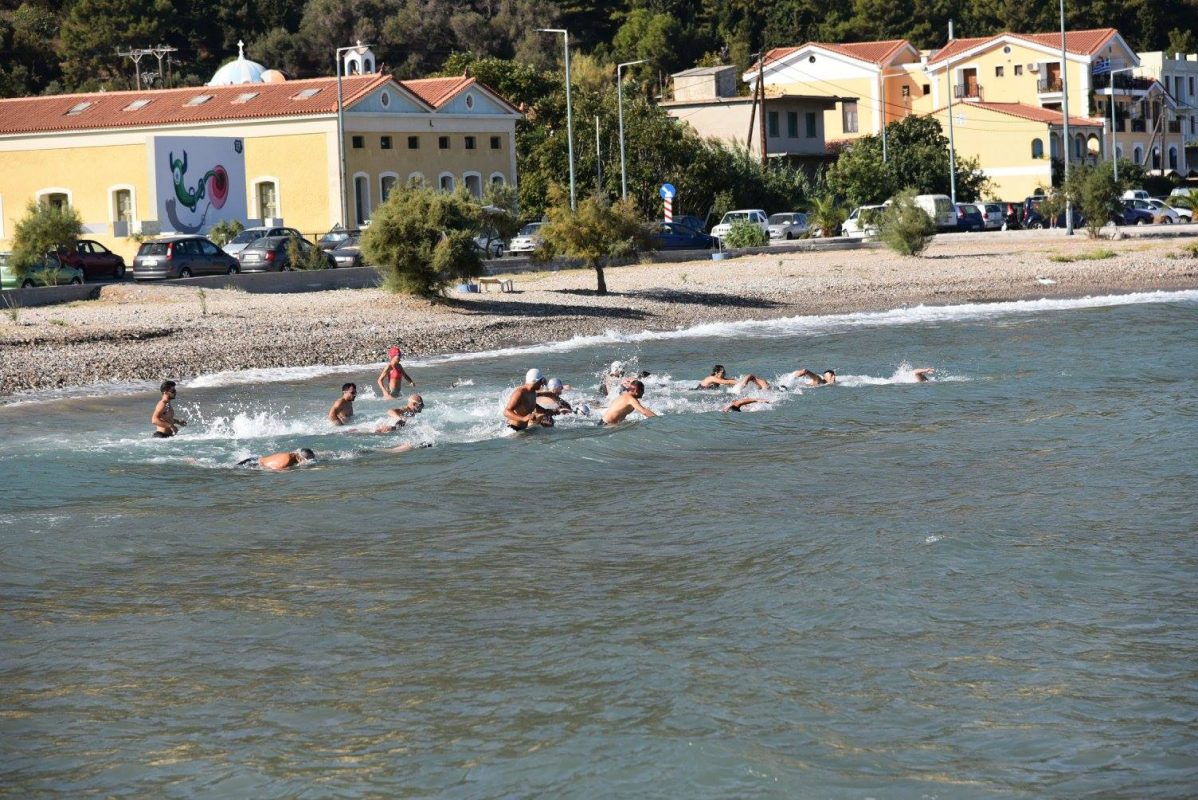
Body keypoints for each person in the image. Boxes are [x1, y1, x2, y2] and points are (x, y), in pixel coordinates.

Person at [695, 365, 768, 391]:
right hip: (699, 390)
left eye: (725, 372)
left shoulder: (719, 379)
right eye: (723, 372)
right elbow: (727, 382)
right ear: (716, 373)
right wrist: (741, 383)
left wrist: (739, 381)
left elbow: (730, 381)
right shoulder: (712, 378)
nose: (724, 374)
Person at [239, 448, 317, 470]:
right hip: (252, 463)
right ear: (301, 459)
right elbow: (272, 470)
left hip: (256, 459)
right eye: (306, 461)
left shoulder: (292, 455)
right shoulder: (286, 462)